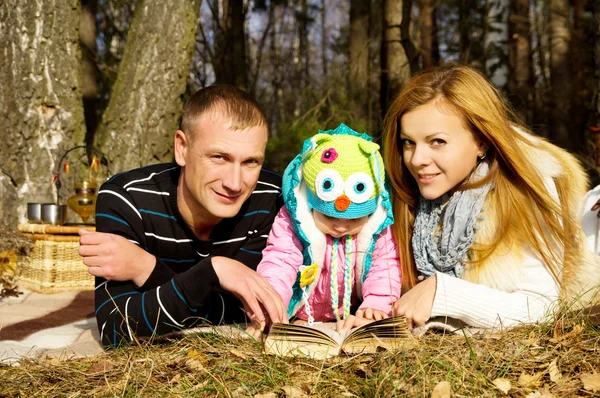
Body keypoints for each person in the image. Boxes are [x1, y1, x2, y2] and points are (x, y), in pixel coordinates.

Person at [381, 64, 600, 331]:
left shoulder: (528, 185)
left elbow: (543, 306)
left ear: (482, 142)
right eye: (408, 142)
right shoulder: (405, 193)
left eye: (437, 141)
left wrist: (444, 293)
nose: (417, 160)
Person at [78, 85, 287, 346]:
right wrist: (213, 273)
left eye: (250, 162)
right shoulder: (127, 198)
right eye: (219, 157)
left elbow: (247, 314)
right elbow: (117, 329)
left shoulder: (272, 199)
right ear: (182, 148)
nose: (235, 183)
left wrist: (148, 269)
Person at [255, 125, 401, 333]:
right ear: (312, 203)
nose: (341, 226)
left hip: (350, 317)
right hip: (302, 316)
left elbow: (384, 265)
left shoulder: (378, 230)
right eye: (329, 216)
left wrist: (377, 303)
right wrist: (272, 299)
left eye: (354, 219)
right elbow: (281, 260)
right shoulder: (295, 222)